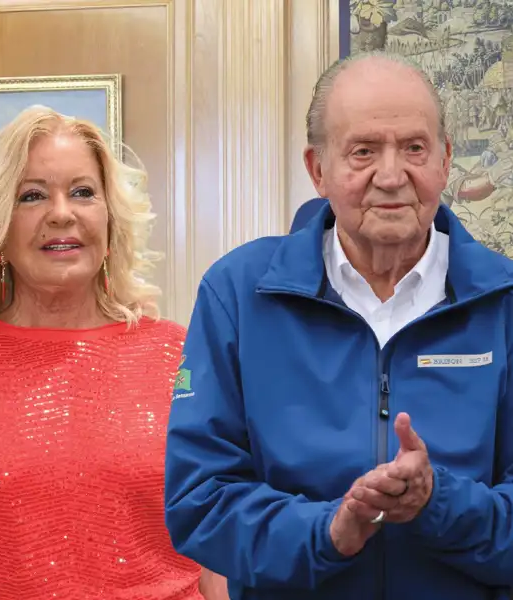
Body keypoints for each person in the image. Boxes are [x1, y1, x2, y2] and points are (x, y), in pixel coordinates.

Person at [164, 52, 513, 599]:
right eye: (363, 151)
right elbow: (199, 501)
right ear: (317, 169)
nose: (393, 175)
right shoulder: (237, 292)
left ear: (445, 161)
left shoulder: (504, 301)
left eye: (414, 148)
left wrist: (437, 502)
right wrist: (329, 531)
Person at [0, 105, 225, 600]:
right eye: (32, 196)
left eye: (83, 192)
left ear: (110, 222)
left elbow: (214, 546)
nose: (62, 212)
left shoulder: (176, 353)